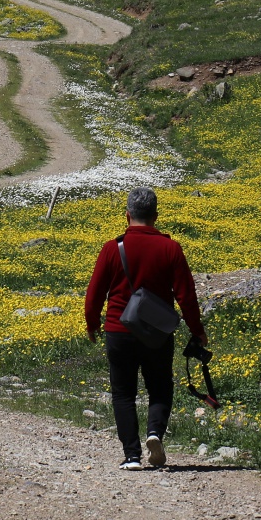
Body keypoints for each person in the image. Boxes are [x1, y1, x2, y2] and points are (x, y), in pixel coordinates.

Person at [83, 186, 206, 470]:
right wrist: (197, 330)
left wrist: (92, 324)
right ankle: (154, 433)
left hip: (118, 329)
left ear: (127, 216)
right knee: (160, 386)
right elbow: (186, 296)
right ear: (155, 216)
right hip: (158, 333)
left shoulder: (113, 247)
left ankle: (132, 456)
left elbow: (95, 294)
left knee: (123, 392)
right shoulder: (170, 248)